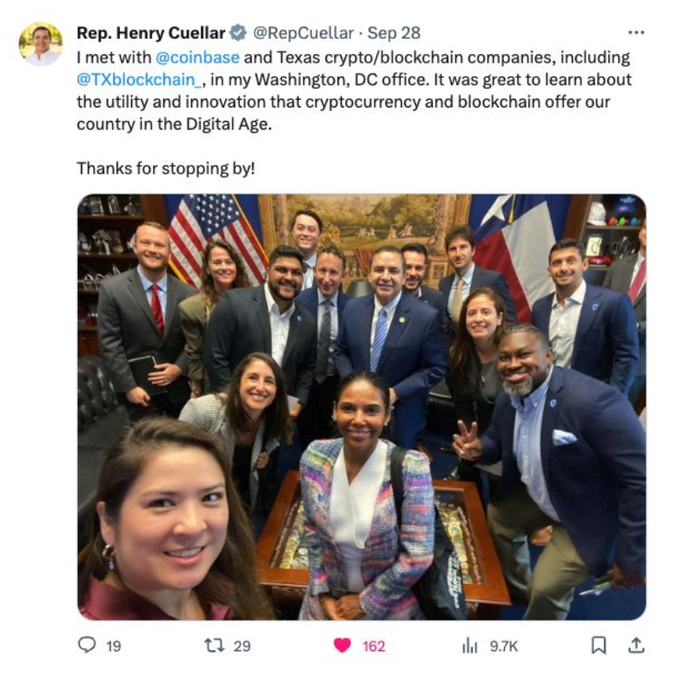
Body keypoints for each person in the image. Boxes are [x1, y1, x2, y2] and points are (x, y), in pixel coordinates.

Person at [453, 325, 646, 620]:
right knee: (499, 518)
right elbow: (496, 440)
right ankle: (520, 590)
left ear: (549, 356)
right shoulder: (510, 395)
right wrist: (479, 449)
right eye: (504, 357)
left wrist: (632, 558)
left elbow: (640, 481)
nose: (513, 364)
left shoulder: (594, 402)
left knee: (545, 589)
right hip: (545, 489)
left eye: (523, 354)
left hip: (587, 513)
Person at [78, 417, 273, 620]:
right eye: (161, 503)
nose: (193, 526)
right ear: (108, 522)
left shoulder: (222, 584)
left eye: (210, 497)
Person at [299, 372, 434, 620]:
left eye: (371, 410)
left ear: (387, 415)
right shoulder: (315, 457)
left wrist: (365, 602)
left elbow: (418, 556)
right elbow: (312, 530)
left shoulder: (411, 467)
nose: (358, 420)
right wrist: (323, 592)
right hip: (327, 603)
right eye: (348, 408)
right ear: (334, 410)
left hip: (389, 607)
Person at [334, 246, 447, 448]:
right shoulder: (352, 308)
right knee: (358, 459)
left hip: (402, 414)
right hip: (357, 412)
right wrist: (354, 384)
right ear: (369, 275)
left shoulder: (426, 317)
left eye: (393, 271)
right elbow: (340, 351)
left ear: (404, 277)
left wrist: (396, 393)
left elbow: (435, 368)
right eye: (379, 269)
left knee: (396, 465)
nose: (385, 277)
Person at [203, 245, 316, 419]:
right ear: (267, 272)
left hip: (280, 416)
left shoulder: (307, 321)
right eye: (281, 270)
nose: (289, 277)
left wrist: (299, 401)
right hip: (234, 411)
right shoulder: (234, 303)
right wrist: (234, 401)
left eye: (296, 273)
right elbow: (215, 356)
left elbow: (307, 368)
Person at [97, 222, 195, 421]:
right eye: (145, 243)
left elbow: (195, 340)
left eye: (159, 245)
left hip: (178, 391)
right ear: (134, 246)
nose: (152, 249)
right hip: (138, 393)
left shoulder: (189, 293)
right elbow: (110, 344)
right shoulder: (112, 290)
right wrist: (129, 387)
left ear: (169, 253)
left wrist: (179, 368)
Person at [179, 353, 292, 515]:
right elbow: (175, 462)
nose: (260, 387)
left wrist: (263, 456)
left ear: (277, 390)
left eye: (269, 381)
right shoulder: (202, 410)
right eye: (252, 378)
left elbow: (265, 454)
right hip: (197, 501)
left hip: (241, 502)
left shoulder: (274, 418)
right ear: (238, 382)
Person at [531, 238, 639, 396]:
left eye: (571, 261)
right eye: (557, 263)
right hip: (547, 395)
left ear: (585, 264)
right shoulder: (540, 308)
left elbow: (626, 356)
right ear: (549, 271)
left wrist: (614, 398)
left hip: (592, 398)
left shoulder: (612, 302)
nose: (563, 268)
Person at [446, 287, 508, 499]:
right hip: (480, 427)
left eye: (485, 312)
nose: (478, 319)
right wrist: (468, 440)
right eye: (471, 313)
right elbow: (462, 403)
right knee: (466, 470)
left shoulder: (513, 352)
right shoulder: (458, 354)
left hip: (512, 434)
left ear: (499, 318)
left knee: (501, 493)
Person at [179, 241, 251, 398]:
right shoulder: (193, 308)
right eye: (217, 262)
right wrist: (196, 384)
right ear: (207, 269)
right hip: (215, 383)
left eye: (229, 262)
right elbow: (195, 352)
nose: (224, 267)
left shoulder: (253, 299)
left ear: (236, 266)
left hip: (250, 377)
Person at [296, 245, 352, 445]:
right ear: (314, 271)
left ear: (343, 275)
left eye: (333, 272)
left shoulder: (353, 307)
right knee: (306, 436)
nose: (327, 278)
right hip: (306, 383)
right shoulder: (298, 301)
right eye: (322, 271)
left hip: (337, 382)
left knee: (335, 436)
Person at [439, 225, 516, 344]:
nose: (458, 254)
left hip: (487, 349)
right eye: (453, 249)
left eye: (463, 247)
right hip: (455, 352)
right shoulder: (444, 284)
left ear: (473, 250)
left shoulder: (493, 279)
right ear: (447, 254)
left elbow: (509, 321)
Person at [603, 223, 647, 405]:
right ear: (640, 231)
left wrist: (635, 326)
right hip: (603, 356)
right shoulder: (618, 266)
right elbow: (602, 302)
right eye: (646, 227)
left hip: (638, 361)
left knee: (620, 412)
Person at [401, 243, 444, 317]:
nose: (413, 273)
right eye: (408, 267)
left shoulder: (437, 298)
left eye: (418, 268)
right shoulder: (387, 297)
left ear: (425, 269)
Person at [290, 210, 323, 290]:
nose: (305, 233)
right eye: (300, 228)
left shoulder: (328, 267)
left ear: (319, 235)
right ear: (292, 231)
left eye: (311, 229)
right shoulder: (282, 266)